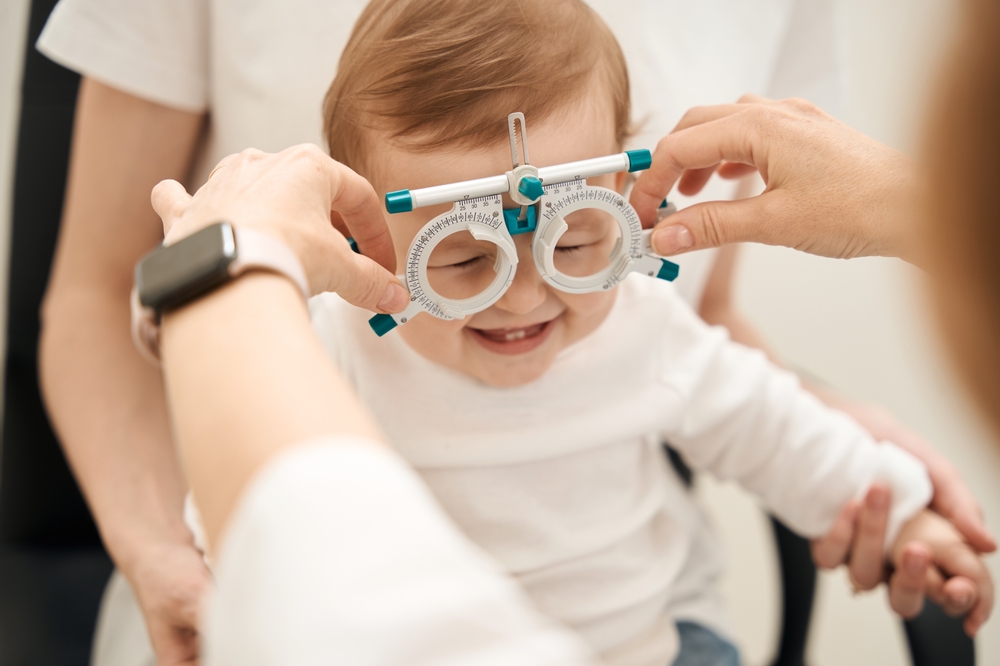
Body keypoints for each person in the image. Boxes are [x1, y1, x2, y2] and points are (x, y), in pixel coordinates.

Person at [32, 0, 990, 663]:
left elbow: (773, 426)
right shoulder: (328, 342)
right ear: (362, 234)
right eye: (462, 261)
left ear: (624, 198)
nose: (527, 296)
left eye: (575, 241)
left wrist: (898, 504)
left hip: (651, 650)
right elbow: (243, 512)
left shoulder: (645, 326)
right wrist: (198, 575)